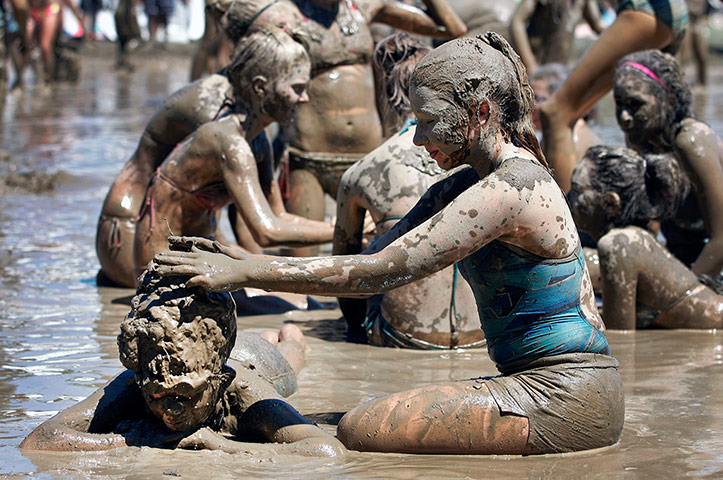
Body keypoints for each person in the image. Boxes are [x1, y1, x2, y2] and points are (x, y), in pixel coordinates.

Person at [153, 33, 624, 455]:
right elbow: (366, 259)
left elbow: (379, 273)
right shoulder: (463, 185)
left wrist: (249, 270)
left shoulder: (511, 189)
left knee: (361, 429)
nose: (417, 138)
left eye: (428, 121)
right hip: (533, 385)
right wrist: (244, 259)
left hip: (570, 396)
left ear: (480, 113)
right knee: (350, 422)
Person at [211, 0, 467, 256]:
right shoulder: (278, 15)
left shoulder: (364, 6)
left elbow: (452, 28)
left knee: (379, 258)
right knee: (302, 266)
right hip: (308, 160)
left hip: (366, 163)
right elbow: (240, 71)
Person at [20, 269, 346, 456]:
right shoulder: (141, 378)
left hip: (257, 360)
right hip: (216, 348)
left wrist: (221, 444)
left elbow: (324, 449)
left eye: (186, 397)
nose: (169, 412)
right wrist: (125, 440)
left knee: (290, 348)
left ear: (218, 382)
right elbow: (40, 438)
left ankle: (292, 333)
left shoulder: (243, 391)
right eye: (157, 399)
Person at [133, 28, 337, 314]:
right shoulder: (228, 142)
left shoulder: (256, 140)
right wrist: (341, 229)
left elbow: (278, 216)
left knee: (307, 303)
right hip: (163, 270)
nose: (304, 98)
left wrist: (337, 227)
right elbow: (267, 232)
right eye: (297, 88)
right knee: (298, 310)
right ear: (259, 86)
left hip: (199, 260)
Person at [335, 33, 483, 348]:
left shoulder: (363, 171)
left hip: (403, 339)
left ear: (382, 92)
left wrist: (352, 336)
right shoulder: (480, 157)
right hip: (482, 336)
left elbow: (343, 282)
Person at [539, 0, 689, 192]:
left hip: (641, 11)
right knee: (649, 128)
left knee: (555, 113)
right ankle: (658, 213)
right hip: (664, 13)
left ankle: (567, 218)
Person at [568, 145, 722, 329]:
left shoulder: (617, 244)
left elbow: (620, 335)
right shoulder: (634, 238)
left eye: (577, 190)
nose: (568, 196)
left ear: (610, 203)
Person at [612, 49, 723, 280]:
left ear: (668, 99)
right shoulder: (641, 137)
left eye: (635, 104)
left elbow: (721, 240)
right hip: (682, 256)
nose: (624, 117)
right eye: (619, 103)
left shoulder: (690, 142)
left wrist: (679, 297)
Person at [530, 63, 600, 162]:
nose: (530, 106)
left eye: (537, 98)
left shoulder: (571, 138)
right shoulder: (554, 133)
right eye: (529, 98)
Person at [510, 0, 604, 73]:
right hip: (537, 61)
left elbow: (597, 24)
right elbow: (517, 21)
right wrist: (531, 65)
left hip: (560, 67)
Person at [114, 0, 141, 71]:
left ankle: (123, 61)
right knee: (130, 45)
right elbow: (135, 32)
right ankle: (127, 62)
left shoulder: (120, 9)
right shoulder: (130, 10)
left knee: (124, 45)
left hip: (123, 33)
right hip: (129, 34)